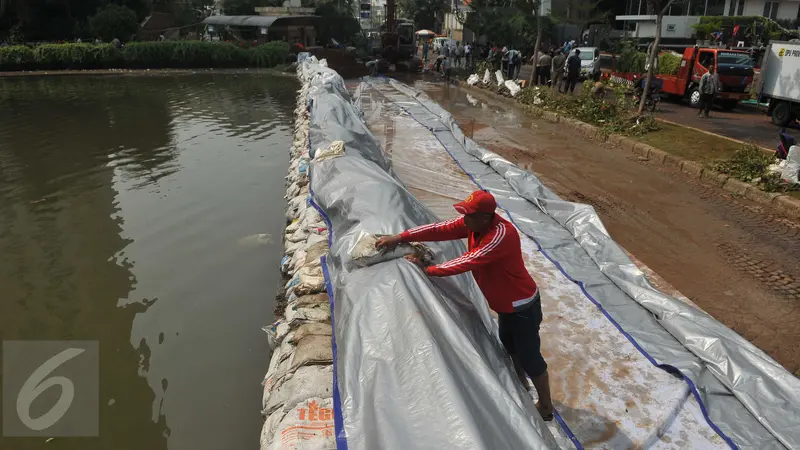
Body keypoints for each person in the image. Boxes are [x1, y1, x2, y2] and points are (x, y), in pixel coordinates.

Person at [376, 191, 554, 421]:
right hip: (504, 306)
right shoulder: (474, 225)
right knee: (510, 348)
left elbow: (468, 260)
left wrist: (428, 269)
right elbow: (440, 229)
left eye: (469, 216)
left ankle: (546, 406)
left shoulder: (500, 235)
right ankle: (521, 387)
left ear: (485, 217)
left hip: (522, 307)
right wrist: (401, 237)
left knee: (530, 357)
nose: (464, 220)